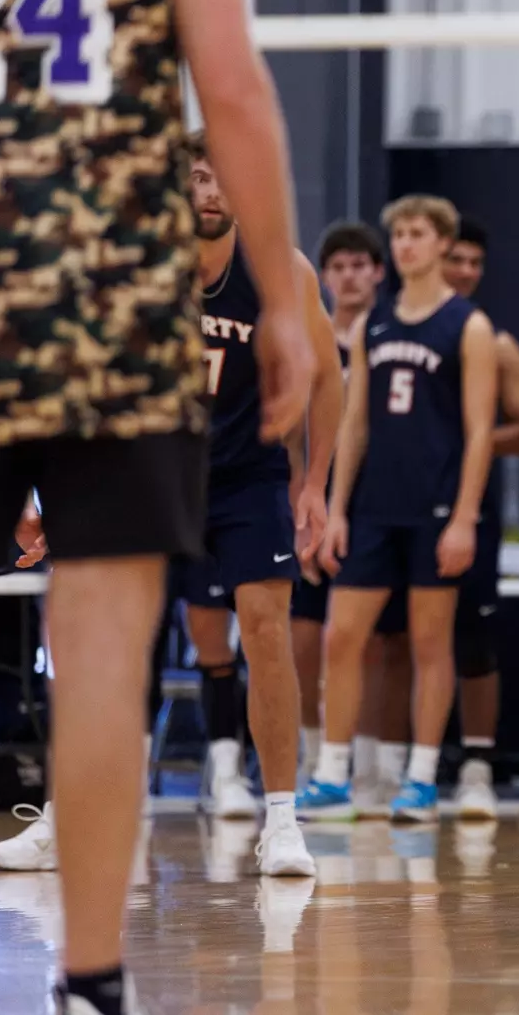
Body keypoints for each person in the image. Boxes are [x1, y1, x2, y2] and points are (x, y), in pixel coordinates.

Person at [0, 0, 315, 1010]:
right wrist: (282, 292)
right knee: (97, 664)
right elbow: (231, 94)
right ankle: (89, 981)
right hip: (121, 300)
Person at [162, 136, 339, 877]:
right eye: (196, 176)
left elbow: (331, 379)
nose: (210, 189)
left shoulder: (280, 272)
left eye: (223, 175)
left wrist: (315, 486)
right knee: (114, 638)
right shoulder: (140, 266)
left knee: (266, 628)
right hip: (154, 474)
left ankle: (282, 820)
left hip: (245, 478)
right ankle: (71, 817)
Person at [299, 195, 498, 822]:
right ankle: (332, 776)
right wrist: (336, 510)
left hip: (435, 507)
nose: (408, 244)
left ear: (442, 242)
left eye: (419, 233)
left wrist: (465, 516)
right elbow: (353, 425)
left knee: (430, 645)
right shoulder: (371, 325)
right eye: (401, 234)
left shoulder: (468, 325)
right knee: (341, 638)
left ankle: (420, 778)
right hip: (374, 509)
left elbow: (479, 432)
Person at [291, 221, 412, 804]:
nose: (349, 275)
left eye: (359, 264)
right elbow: (291, 430)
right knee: (308, 637)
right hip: (315, 503)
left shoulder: (392, 334)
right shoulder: (311, 341)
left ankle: (375, 766)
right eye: (337, 266)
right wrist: (300, 502)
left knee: (383, 642)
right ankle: (316, 759)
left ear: (378, 272)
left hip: (377, 504)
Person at [440, 216, 519, 818]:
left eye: (475, 262)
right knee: (392, 639)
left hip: (469, 505)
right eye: (456, 258)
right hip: (399, 502)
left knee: (474, 638)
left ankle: (478, 763)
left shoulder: (495, 341)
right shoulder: (389, 326)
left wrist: (465, 441)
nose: (466, 271)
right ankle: (391, 762)